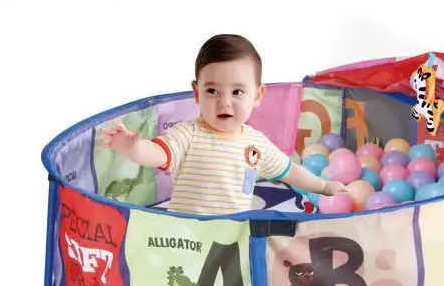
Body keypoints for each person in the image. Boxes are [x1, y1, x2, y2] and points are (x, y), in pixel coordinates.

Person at [98, 34, 348, 214]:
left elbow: (291, 171)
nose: (224, 103)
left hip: (230, 244)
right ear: (196, 93)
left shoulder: (256, 144)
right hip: (186, 238)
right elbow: (157, 153)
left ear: (258, 95)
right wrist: (134, 149)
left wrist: (324, 186)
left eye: (237, 92)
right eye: (213, 91)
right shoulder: (187, 135)